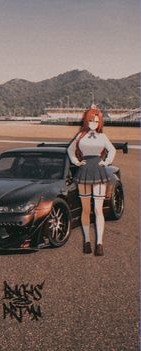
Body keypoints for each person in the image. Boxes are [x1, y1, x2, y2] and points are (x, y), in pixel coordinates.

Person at [67, 106, 116, 256]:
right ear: (86, 121)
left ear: (100, 122)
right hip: (84, 171)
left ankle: (99, 243)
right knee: (86, 209)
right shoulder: (80, 135)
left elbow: (112, 150)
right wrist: (76, 162)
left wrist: (106, 162)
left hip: (99, 171)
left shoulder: (102, 136)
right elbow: (70, 150)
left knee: (98, 210)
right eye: (91, 120)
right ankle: (87, 241)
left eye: (96, 121)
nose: (94, 123)